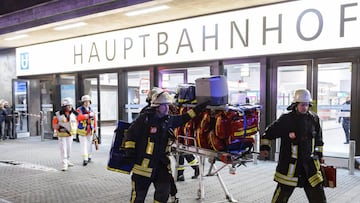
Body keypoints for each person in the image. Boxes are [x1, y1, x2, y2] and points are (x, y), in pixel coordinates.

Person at [123, 90, 208, 203]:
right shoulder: (144, 119)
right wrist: (130, 152)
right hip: (143, 166)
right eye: (165, 105)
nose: (168, 108)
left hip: (161, 164)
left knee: (163, 192)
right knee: (138, 197)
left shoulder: (167, 120)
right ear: (157, 107)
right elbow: (130, 135)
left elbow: (184, 117)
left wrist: (201, 107)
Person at [260, 89, 326, 203]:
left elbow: (319, 140)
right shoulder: (286, 119)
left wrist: (320, 155)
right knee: (281, 196)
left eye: (306, 105)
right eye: (302, 105)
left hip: (309, 166)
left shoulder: (314, 119)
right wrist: (265, 148)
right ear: (295, 105)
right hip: (290, 167)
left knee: (318, 196)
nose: (304, 108)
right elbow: (269, 133)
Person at [52, 97, 78, 171]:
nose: (70, 107)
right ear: (64, 106)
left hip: (70, 134)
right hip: (62, 134)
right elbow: (54, 124)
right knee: (63, 149)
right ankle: (64, 164)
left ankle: (68, 161)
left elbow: (77, 122)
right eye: (68, 106)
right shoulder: (58, 114)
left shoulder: (74, 114)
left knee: (69, 148)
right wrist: (59, 128)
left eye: (71, 105)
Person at [77, 95, 97, 166]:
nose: (87, 103)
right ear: (83, 102)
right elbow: (79, 117)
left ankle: (89, 157)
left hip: (90, 130)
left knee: (89, 145)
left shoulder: (91, 109)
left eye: (88, 101)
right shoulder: (79, 109)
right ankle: (85, 159)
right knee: (84, 145)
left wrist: (95, 129)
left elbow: (94, 120)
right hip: (82, 130)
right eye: (85, 102)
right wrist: (88, 115)